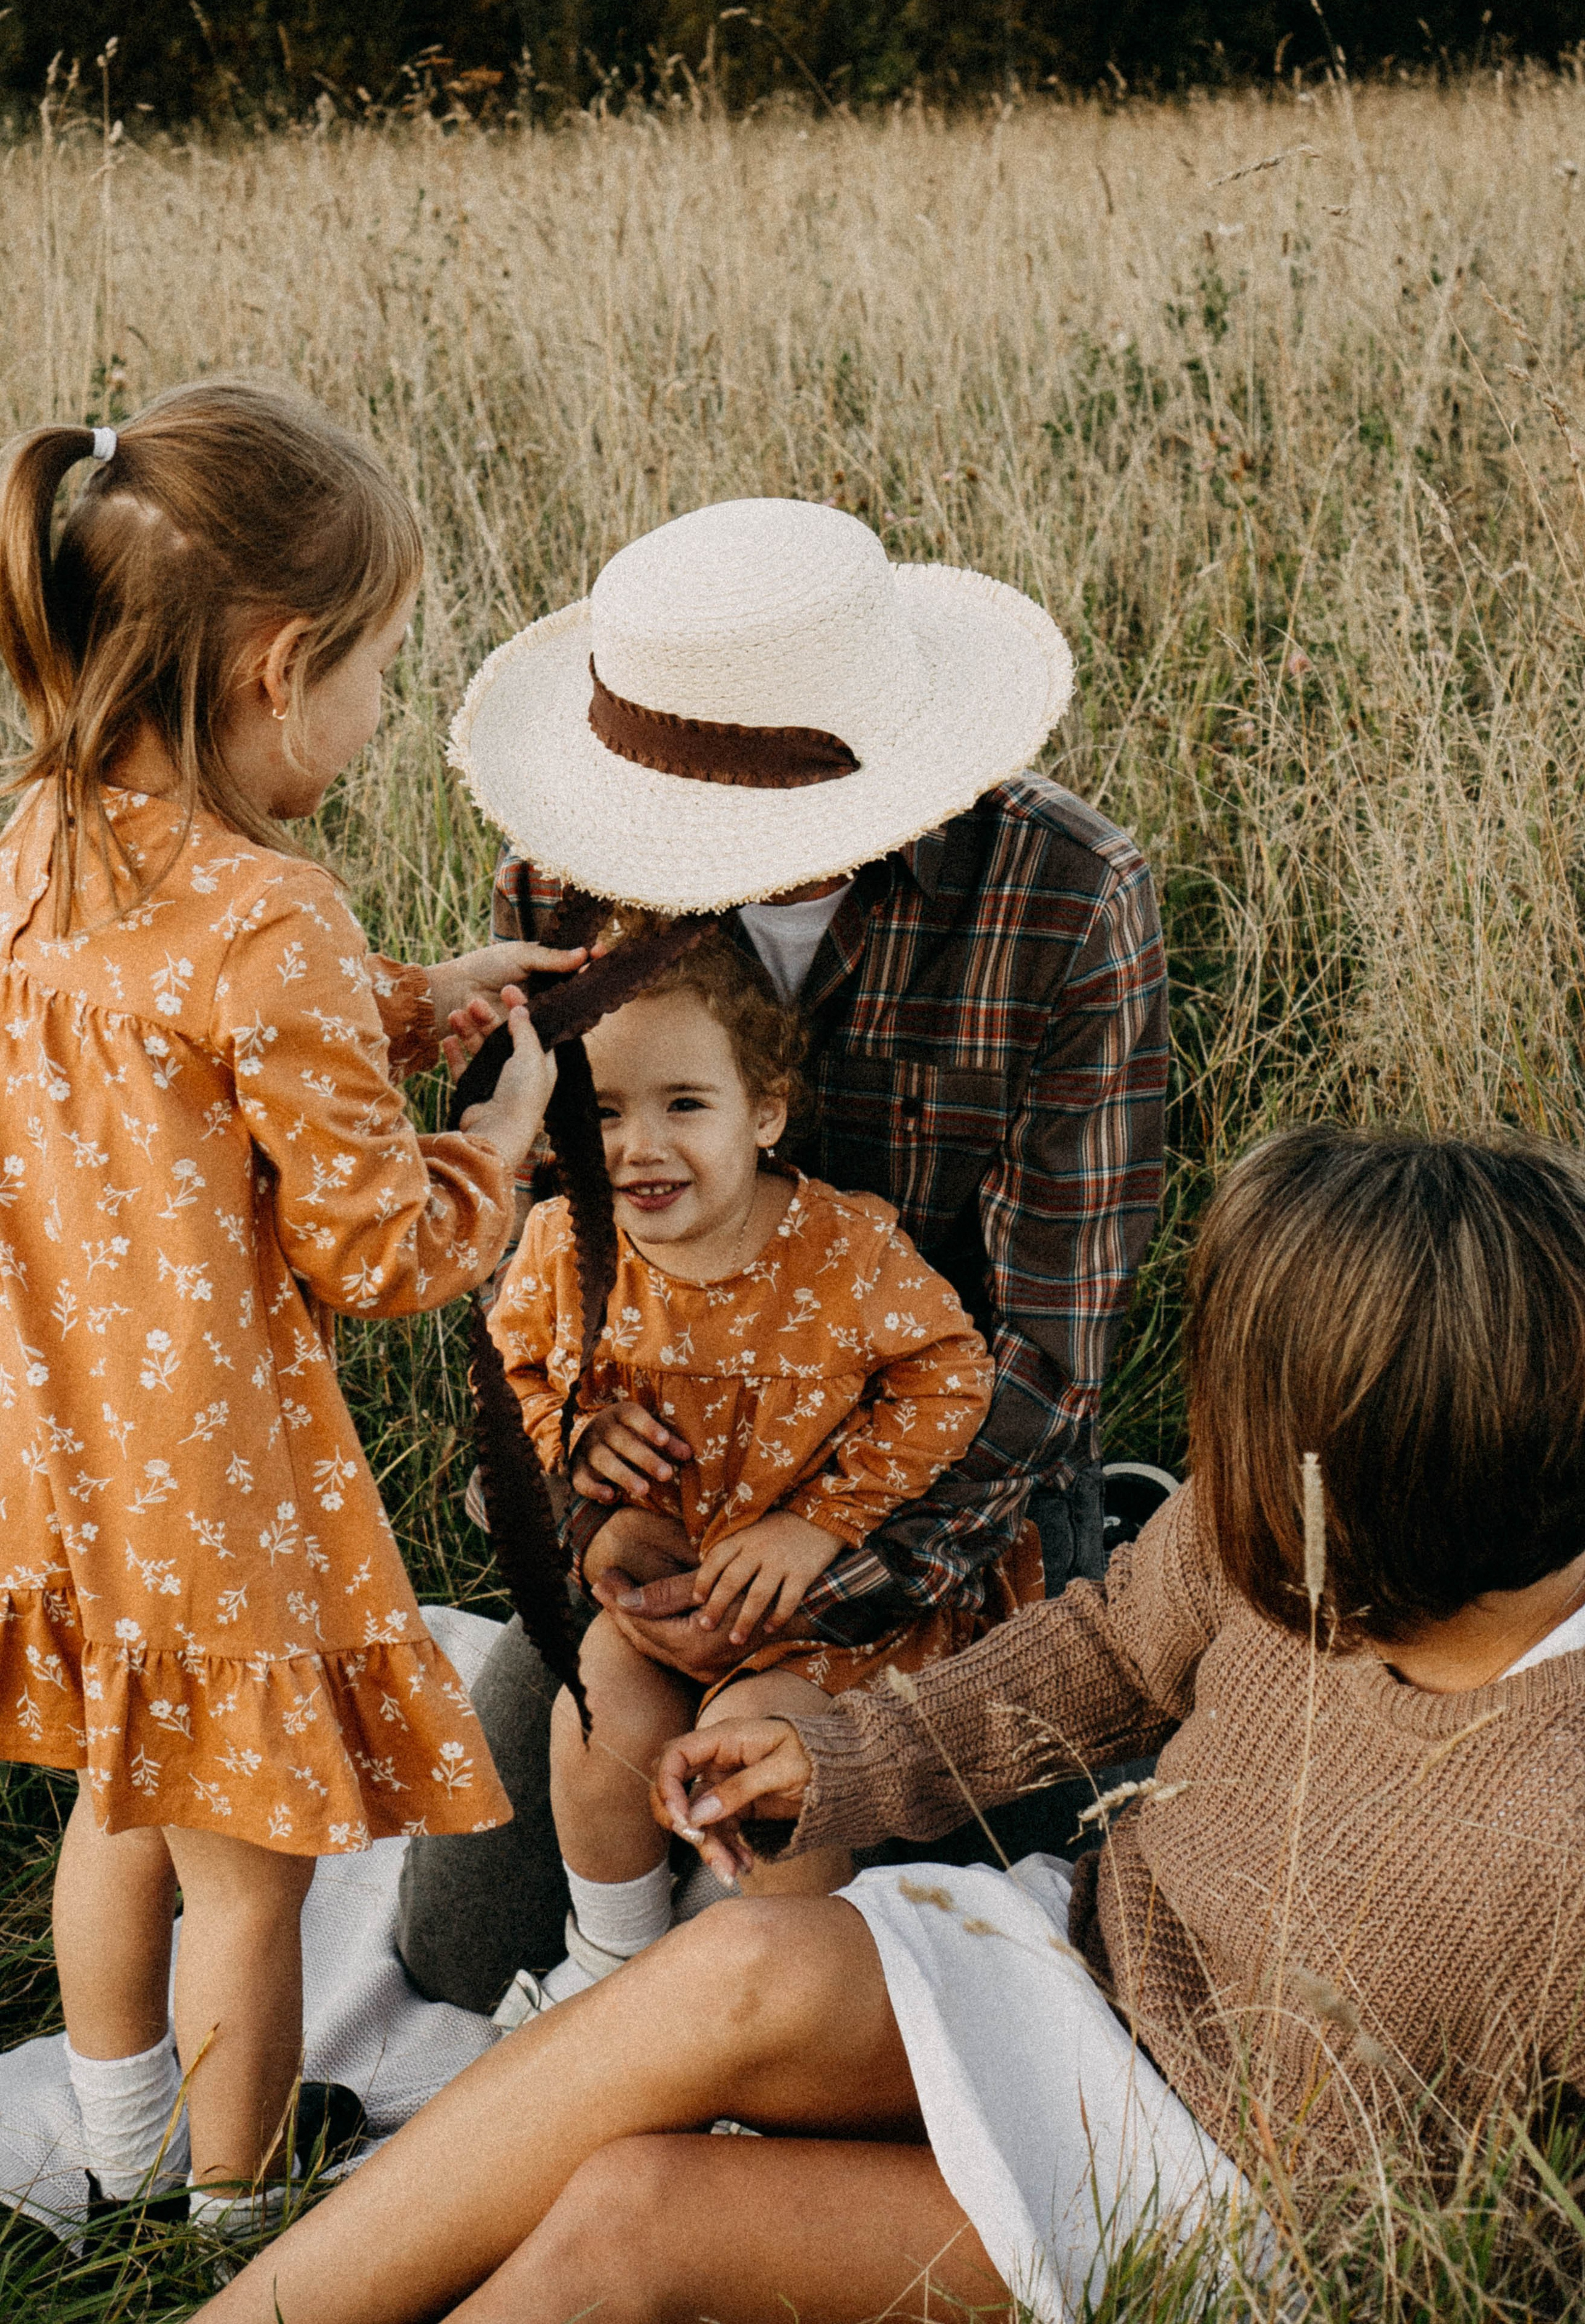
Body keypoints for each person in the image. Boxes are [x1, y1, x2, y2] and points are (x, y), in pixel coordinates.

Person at [194, 1124, 1585, 2322]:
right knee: (736, 1964)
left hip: (1226, 2196)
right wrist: (844, 1759)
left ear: (1370, 1474)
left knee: (635, 2220)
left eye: (1241, 1426)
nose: (1210, 1464)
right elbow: (1102, 1649)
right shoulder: (1273, 1530)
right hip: (1097, 1960)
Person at [397, 492, 1170, 2009]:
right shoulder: (561, 885)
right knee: (460, 1946)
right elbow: (530, 1272)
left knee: (809, 1927)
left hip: (936, 1523)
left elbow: (1045, 1354)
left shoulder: (1063, 898)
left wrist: (842, 1568)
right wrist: (580, 1492)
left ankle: (1122, 1570)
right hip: (676, 1516)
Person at [0, 383, 579, 2237]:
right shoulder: (274, 916)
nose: (386, 714)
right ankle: (240, 2226)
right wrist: (491, 1136)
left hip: (58, 1457)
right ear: (278, 663)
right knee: (255, 1884)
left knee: (120, 1814)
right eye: (384, 670)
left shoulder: (31, 850)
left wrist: (407, 1005)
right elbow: (376, 1254)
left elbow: (157, 1080)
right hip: (216, 1484)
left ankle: (118, 2163)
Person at [485, 928, 1037, 1999]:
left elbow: (950, 1379)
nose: (639, 1147)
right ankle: (613, 1964)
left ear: (766, 1113)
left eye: (685, 1106)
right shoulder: (563, 1246)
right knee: (594, 1709)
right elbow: (510, 1377)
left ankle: (790, 1997)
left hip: (818, 1613)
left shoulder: (841, 1254)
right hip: (666, 1585)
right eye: (602, 1114)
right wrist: (574, 1440)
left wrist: (825, 1522)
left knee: (757, 1752)